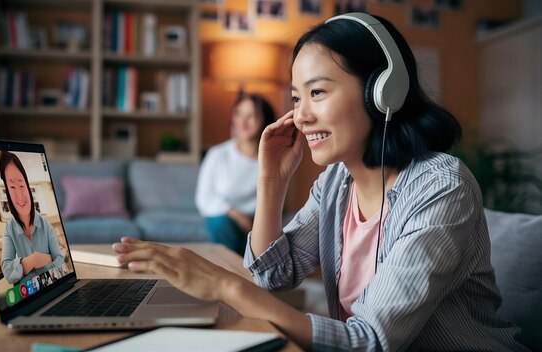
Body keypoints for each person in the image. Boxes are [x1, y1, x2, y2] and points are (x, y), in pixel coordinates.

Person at [112, 13, 527, 351]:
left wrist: (223, 285)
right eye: (296, 98)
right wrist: (271, 181)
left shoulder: (442, 188)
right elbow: (272, 275)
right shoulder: (336, 184)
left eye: (318, 92)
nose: (301, 115)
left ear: (382, 92)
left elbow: (369, 342)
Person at [195, 93, 276, 254]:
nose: (243, 121)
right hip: (223, 217)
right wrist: (236, 215)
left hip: (256, 220)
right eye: (238, 114)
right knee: (221, 224)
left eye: (251, 115)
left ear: (265, 120)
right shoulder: (217, 154)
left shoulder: (272, 161)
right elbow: (204, 198)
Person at [0, 151, 64, 285]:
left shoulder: (46, 226)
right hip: (26, 295)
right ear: (7, 192)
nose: (19, 195)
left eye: (21, 185)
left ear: (28, 186)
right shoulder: (9, 229)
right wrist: (35, 259)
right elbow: (7, 272)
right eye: (12, 187)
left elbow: (60, 261)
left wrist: (23, 267)